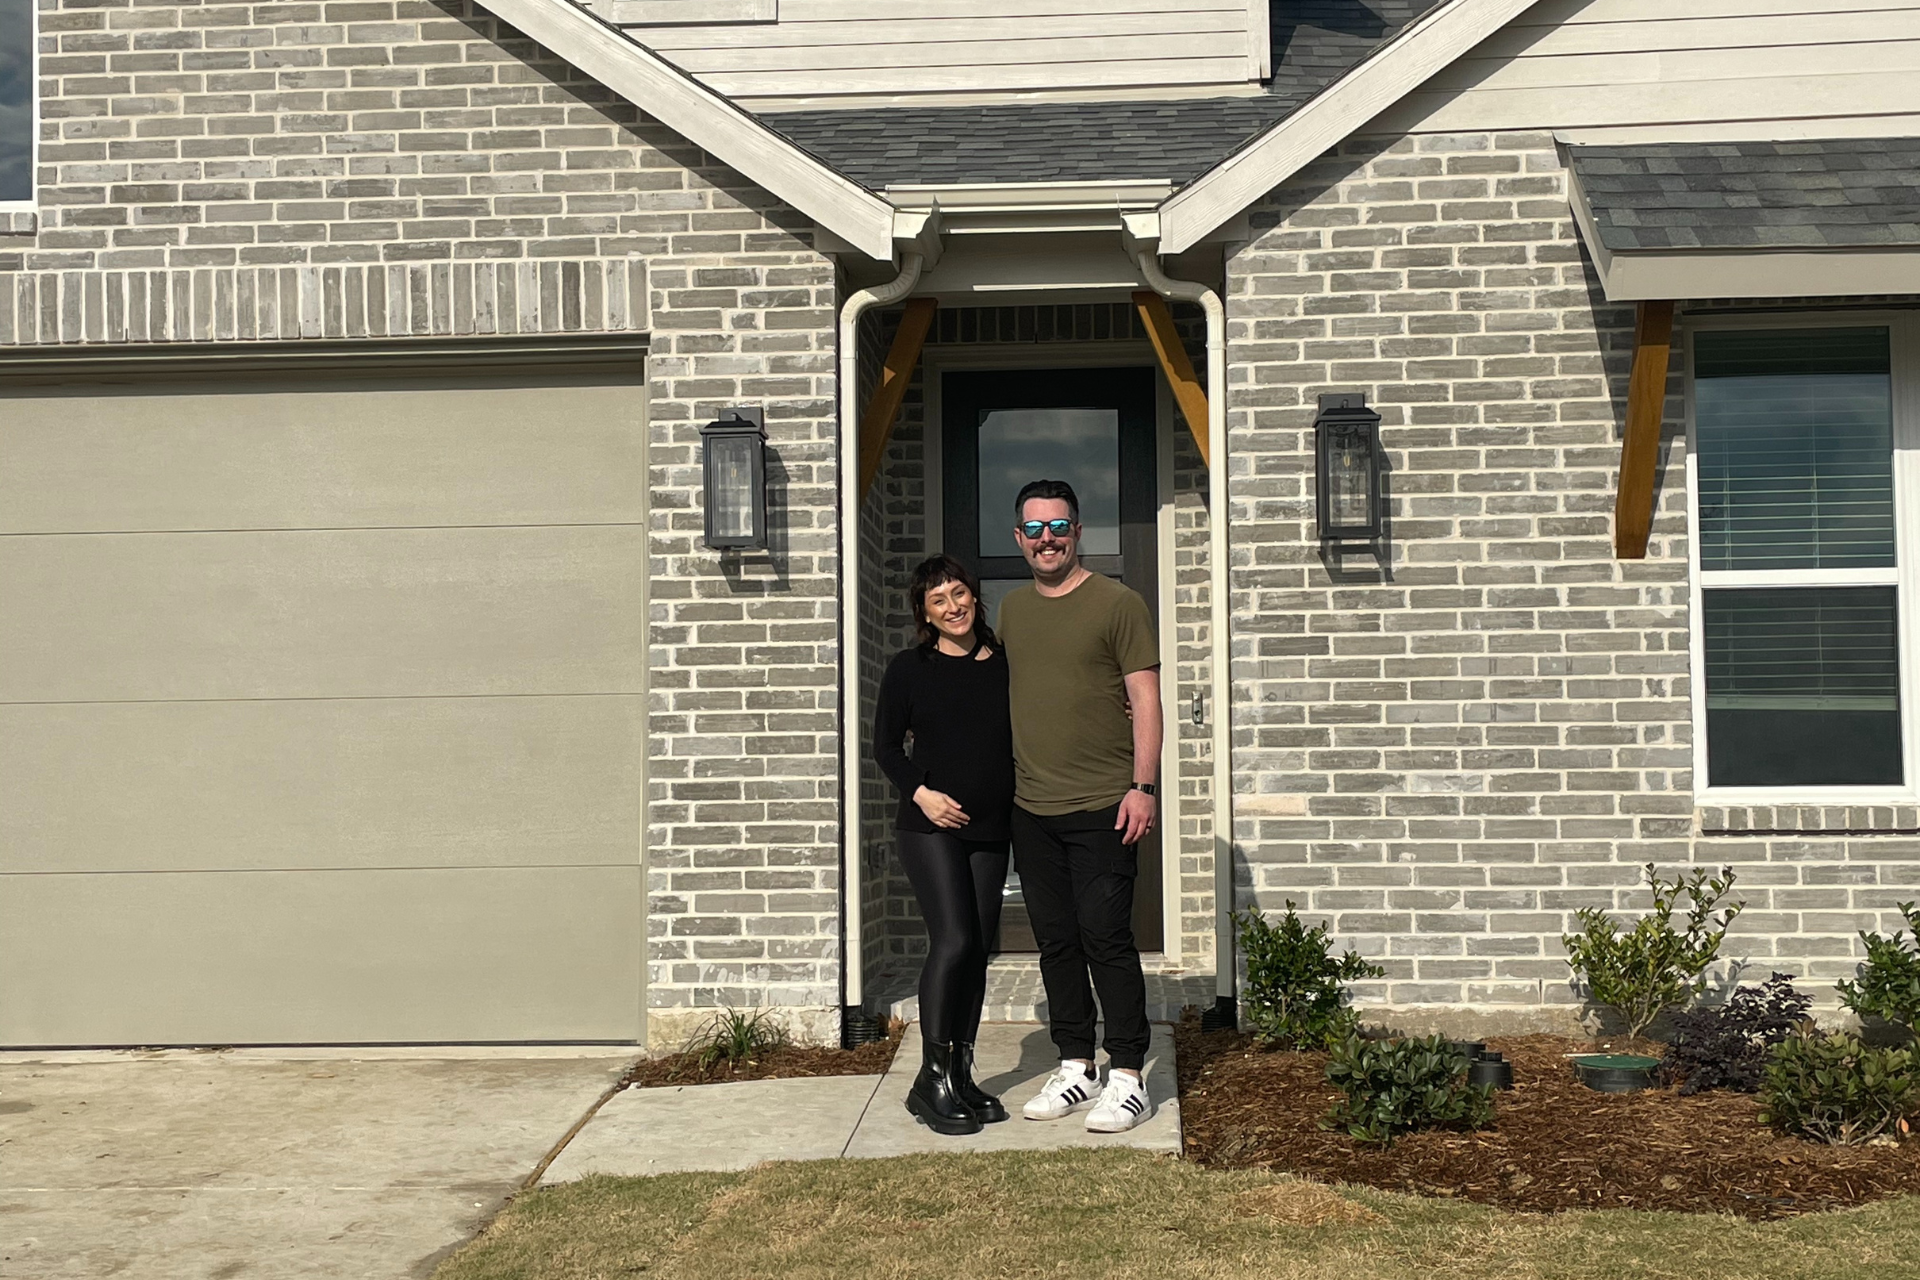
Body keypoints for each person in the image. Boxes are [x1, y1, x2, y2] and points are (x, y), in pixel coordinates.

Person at [995, 478, 1162, 1133]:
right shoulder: (1011, 611)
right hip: (1031, 807)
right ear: (1019, 538)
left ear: (1077, 531)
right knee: (1056, 944)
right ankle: (1076, 1065)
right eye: (1035, 529)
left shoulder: (1118, 603)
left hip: (1104, 806)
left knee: (1107, 940)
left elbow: (1144, 699)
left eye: (1058, 526)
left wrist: (1143, 787)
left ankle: (1128, 1076)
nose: (1048, 540)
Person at [873, 553, 1015, 1135]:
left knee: (977, 950)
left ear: (974, 597)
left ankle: (959, 1072)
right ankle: (930, 1079)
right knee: (953, 941)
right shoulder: (910, 668)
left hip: (991, 826)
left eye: (958, 593)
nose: (953, 606)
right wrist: (922, 793)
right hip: (930, 826)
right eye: (939, 600)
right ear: (925, 613)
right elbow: (885, 748)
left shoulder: (1004, 664)